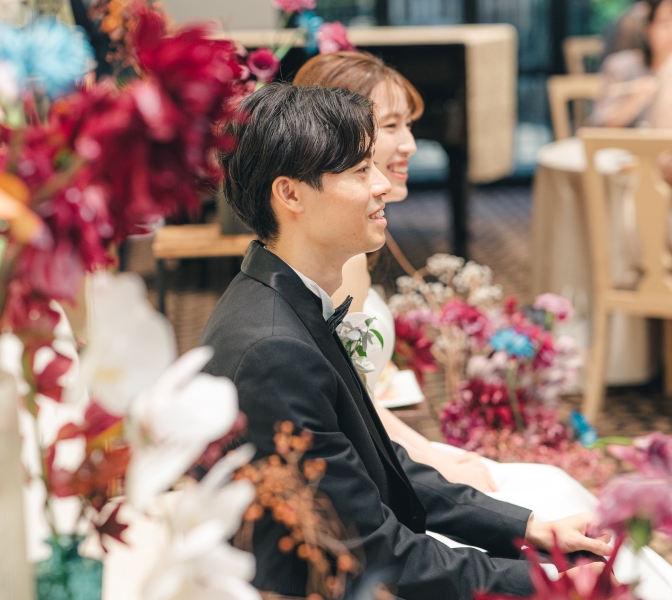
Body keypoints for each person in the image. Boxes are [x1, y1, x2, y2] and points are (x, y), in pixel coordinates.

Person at [200, 83, 610, 600]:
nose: (381, 185)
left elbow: (378, 467)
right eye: (359, 171)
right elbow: (375, 554)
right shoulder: (273, 351)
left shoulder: (287, 299)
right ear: (291, 194)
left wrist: (531, 528)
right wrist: (547, 582)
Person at [294, 51, 498, 493]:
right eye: (390, 126)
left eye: (408, 124)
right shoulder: (339, 263)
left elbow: (357, 396)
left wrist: (430, 452)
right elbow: (345, 407)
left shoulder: (346, 249)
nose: (410, 144)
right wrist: (435, 465)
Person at [592, 0, 672, 128]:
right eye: (665, 23)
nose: (671, 32)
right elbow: (601, 124)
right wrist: (635, 100)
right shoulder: (621, 66)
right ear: (648, 28)